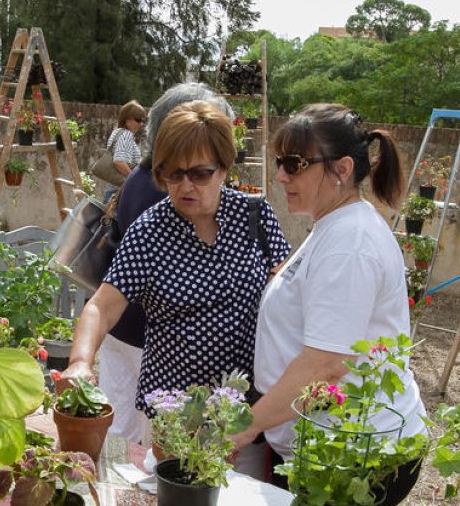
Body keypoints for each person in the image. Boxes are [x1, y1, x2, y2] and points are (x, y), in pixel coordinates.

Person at [62, 101, 290, 473]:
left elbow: (287, 295)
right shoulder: (150, 231)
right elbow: (102, 306)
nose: (185, 186)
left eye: (200, 173)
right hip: (173, 417)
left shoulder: (255, 216)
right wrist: (79, 362)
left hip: (245, 414)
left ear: (224, 168)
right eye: (172, 174)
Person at [229, 104, 428, 506]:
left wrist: (243, 428)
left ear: (340, 169)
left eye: (294, 164)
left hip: (354, 455)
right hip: (330, 449)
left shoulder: (349, 243)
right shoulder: (335, 225)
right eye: (279, 162)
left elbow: (324, 365)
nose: (281, 175)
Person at [97, 84, 229, 445]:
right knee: (136, 439)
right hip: (142, 334)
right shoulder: (166, 192)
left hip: (126, 331)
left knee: (122, 428)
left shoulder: (143, 176)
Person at [102, 100, 146, 199]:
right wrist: (134, 179)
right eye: (138, 120)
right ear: (127, 120)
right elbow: (118, 162)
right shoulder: (126, 134)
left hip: (113, 189)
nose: (141, 124)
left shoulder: (116, 132)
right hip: (120, 191)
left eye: (142, 120)